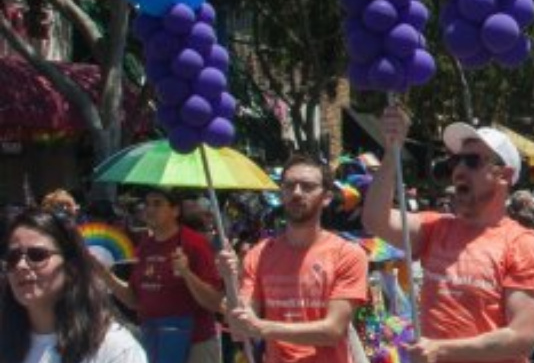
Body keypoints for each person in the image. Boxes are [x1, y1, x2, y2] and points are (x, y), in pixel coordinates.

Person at [363, 106, 534, 363]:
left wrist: (442, 350)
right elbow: (375, 219)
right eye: (455, 160)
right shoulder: (436, 228)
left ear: (504, 175)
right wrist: (392, 152)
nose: (459, 169)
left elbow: (522, 338)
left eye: (472, 161)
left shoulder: (522, 244)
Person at [215, 154, 368, 363]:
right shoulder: (259, 254)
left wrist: (263, 327)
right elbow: (241, 329)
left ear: (327, 197)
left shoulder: (348, 254)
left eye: (307, 186)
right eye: (289, 186)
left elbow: (333, 330)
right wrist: (229, 280)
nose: (296, 193)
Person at [3, 209, 146, 363]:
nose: (21, 265)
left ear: (71, 268)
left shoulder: (114, 348)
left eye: (37, 255)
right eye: (13, 257)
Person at [96, 192, 219, 363]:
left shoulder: (195, 244)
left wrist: (186, 274)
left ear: (175, 211)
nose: (150, 209)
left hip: (194, 345)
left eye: (157, 204)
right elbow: (135, 301)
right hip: (155, 343)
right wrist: (106, 276)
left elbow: (214, 302)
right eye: (147, 204)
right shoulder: (145, 246)